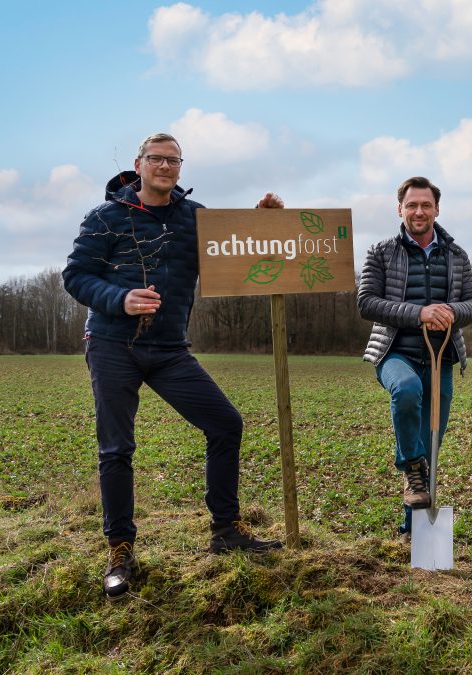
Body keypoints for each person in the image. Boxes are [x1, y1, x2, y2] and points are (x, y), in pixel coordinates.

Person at [63, 133, 285, 600]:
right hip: (111, 345)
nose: (165, 166)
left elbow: (239, 250)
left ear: (180, 167)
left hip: (169, 350)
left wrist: (263, 222)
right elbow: (75, 276)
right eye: (156, 159)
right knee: (117, 450)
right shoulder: (105, 217)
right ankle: (120, 548)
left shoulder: (195, 218)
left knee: (225, 424)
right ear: (139, 165)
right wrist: (120, 299)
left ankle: (226, 530)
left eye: (173, 160)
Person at [357, 176, 472, 537]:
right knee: (407, 391)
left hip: (441, 357)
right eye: (411, 205)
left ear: (437, 209)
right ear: (400, 209)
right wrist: (419, 313)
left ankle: (413, 534)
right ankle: (410, 465)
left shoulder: (456, 256)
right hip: (396, 353)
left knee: (432, 447)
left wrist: (452, 311)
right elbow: (366, 302)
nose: (419, 211)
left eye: (426, 205)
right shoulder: (381, 252)